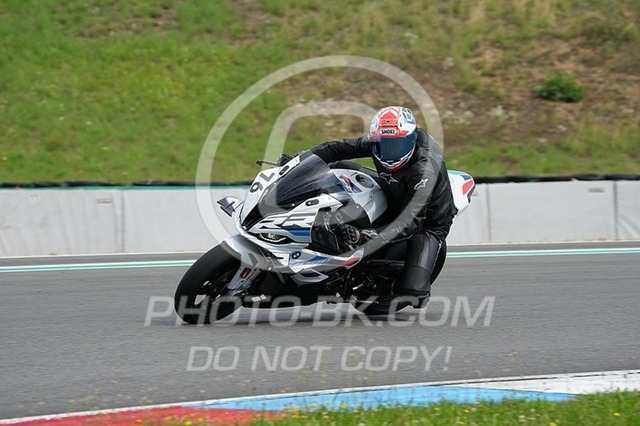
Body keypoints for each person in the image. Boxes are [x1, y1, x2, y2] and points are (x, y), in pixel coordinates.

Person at [282, 106, 457, 314]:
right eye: (384, 145)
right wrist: (299, 161)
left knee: (414, 293)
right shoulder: (378, 143)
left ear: (411, 140)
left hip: (426, 220)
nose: (390, 153)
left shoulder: (423, 170)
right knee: (338, 165)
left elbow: (410, 222)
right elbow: (337, 148)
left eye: (397, 146)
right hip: (391, 190)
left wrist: (363, 235)